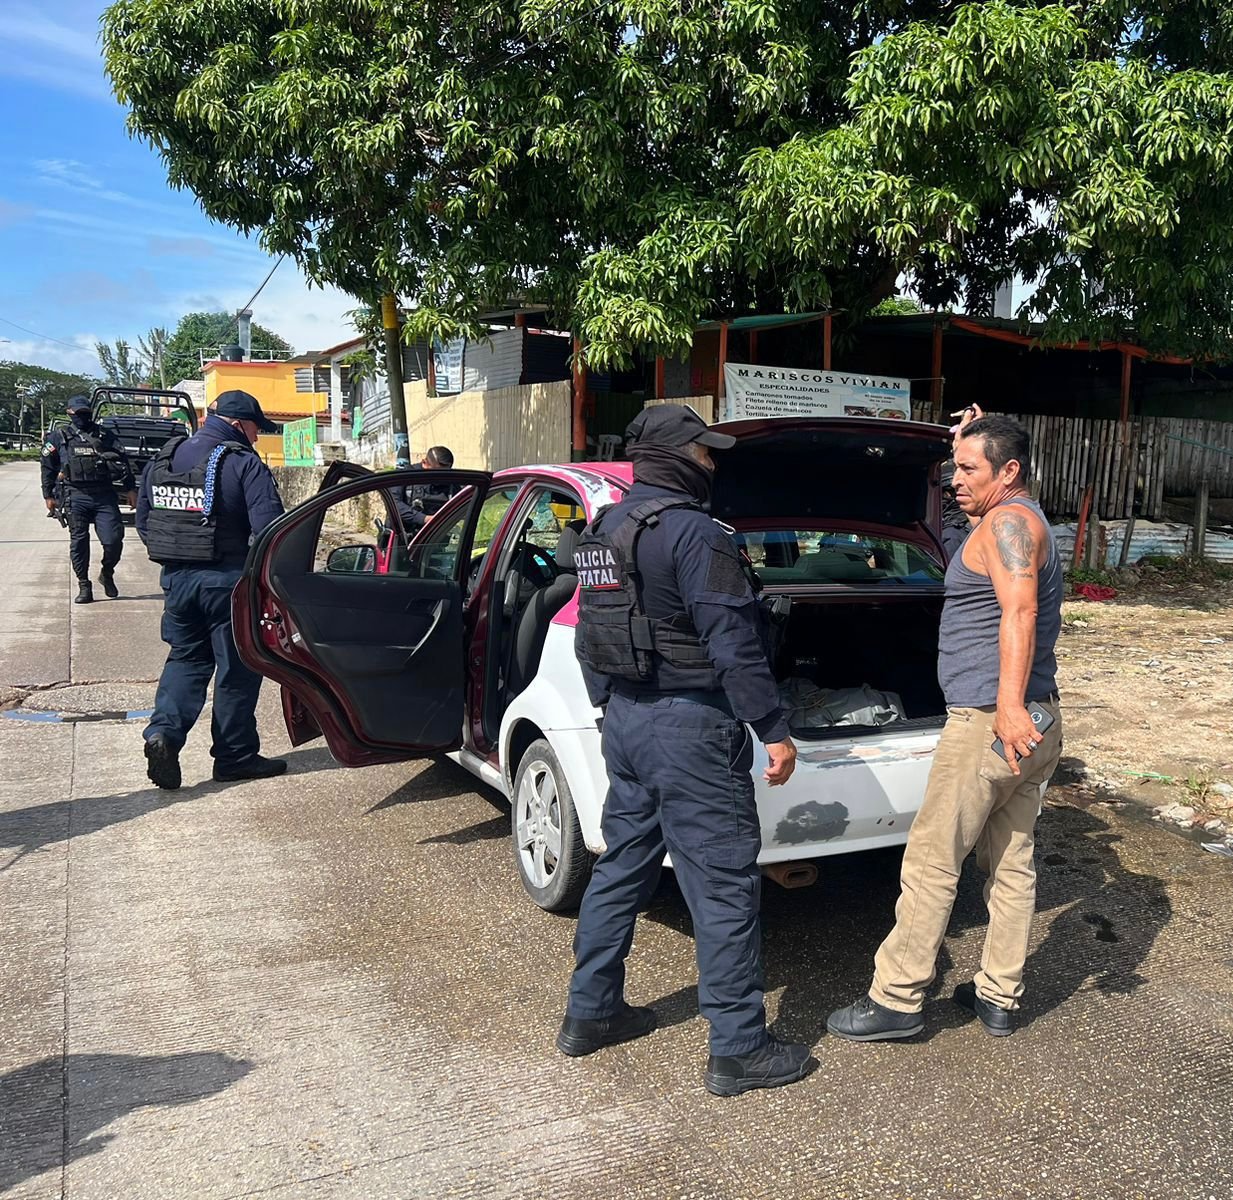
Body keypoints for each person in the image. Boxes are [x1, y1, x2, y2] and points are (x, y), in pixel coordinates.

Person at [558, 404, 811, 1097]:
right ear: (676, 457)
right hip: (691, 727)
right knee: (723, 883)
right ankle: (739, 1049)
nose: (712, 462)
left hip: (626, 720)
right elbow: (733, 641)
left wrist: (609, 706)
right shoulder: (696, 533)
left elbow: (589, 631)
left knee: (621, 867)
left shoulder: (603, 529)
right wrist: (773, 729)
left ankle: (590, 1013)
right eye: (705, 452)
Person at [827, 412, 1064, 1042]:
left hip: (992, 722)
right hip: (1037, 716)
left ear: (1008, 471)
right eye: (953, 467)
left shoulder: (1008, 525)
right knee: (1011, 860)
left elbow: (1019, 613)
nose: (953, 479)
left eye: (966, 468)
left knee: (932, 859)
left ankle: (897, 998)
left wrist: (1006, 707)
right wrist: (972, 431)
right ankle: (999, 995)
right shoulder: (1024, 516)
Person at [136, 389, 288, 790]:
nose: (257, 436)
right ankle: (235, 757)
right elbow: (270, 531)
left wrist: (179, 560)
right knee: (237, 668)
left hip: (177, 581)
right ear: (237, 424)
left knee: (186, 659)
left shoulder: (164, 459)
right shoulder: (243, 463)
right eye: (255, 428)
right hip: (228, 586)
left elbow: (145, 522)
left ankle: (163, 734)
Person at [40, 395, 136, 603]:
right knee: (79, 542)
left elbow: (123, 461)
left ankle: (107, 572)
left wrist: (130, 489)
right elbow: (47, 466)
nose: (82, 417)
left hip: (104, 495)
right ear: (69, 413)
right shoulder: (58, 437)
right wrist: (48, 494)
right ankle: (84, 585)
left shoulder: (105, 435)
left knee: (113, 540)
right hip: (75, 495)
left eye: (85, 413)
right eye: (78, 413)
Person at [396, 445, 457, 530]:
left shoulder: (452, 483)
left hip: (436, 534)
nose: (440, 477)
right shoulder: (405, 475)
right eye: (436, 472)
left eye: (445, 473)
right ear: (424, 463)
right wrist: (424, 519)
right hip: (403, 533)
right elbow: (394, 504)